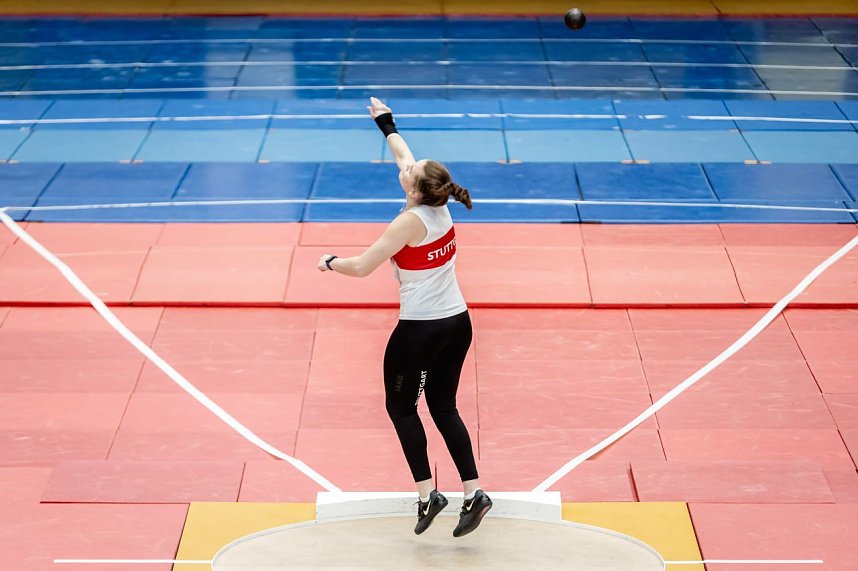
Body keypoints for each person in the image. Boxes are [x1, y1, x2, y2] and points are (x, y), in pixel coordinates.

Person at [317, 97, 491, 538]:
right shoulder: (440, 203)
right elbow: (404, 156)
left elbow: (360, 268)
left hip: (421, 330)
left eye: (410, 173)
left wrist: (330, 260)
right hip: (458, 323)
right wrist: (386, 122)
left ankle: (428, 494)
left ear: (414, 190)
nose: (406, 168)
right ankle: (474, 494)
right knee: (443, 406)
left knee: (401, 406)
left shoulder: (409, 223)